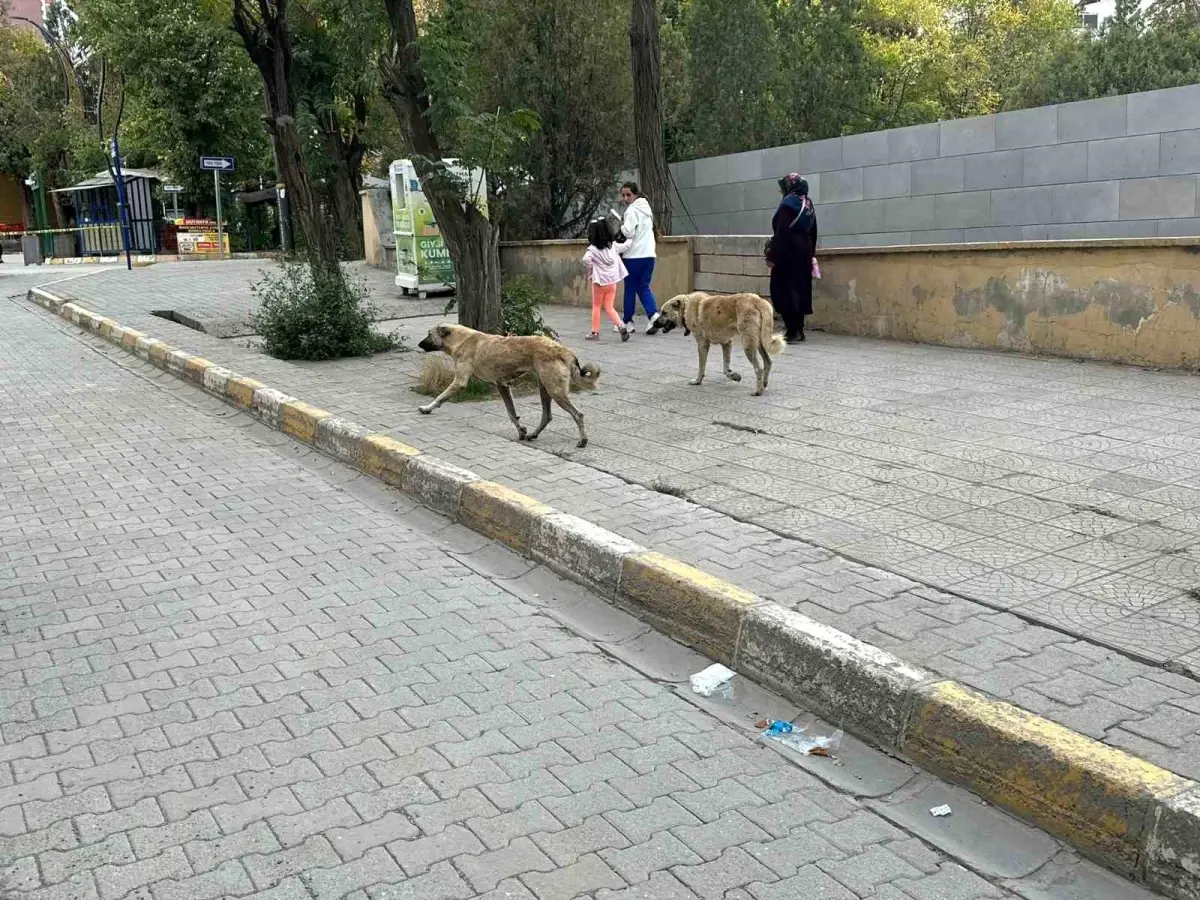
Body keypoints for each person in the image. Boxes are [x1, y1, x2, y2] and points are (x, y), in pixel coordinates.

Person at [767, 173, 817, 343]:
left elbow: (782, 233)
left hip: (787, 253)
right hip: (804, 252)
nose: (780, 190)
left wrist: (773, 256)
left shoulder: (787, 204)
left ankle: (791, 330)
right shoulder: (808, 204)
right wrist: (811, 255)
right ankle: (799, 329)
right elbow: (814, 231)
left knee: (782, 289)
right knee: (800, 290)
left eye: (783, 187)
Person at [615, 182, 661, 334]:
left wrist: (621, 225)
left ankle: (628, 321)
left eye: (628, 194)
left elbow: (628, 232)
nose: (626, 198)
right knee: (644, 286)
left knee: (630, 288)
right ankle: (653, 315)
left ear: (635, 194)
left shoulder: (632, 210)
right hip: (649, 255)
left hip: (633, 256)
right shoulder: (647, 210)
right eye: (624, 195)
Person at [582, 218, 630, 342]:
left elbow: (585, 260)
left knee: (597, 307)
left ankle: (595, 332)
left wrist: (592, 266)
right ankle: (621, 325)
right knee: (609, 307)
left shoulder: (592, 249)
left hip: (599, 283)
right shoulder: (612, 246)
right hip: (612, 282)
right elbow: (624, 247)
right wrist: (632, 238)